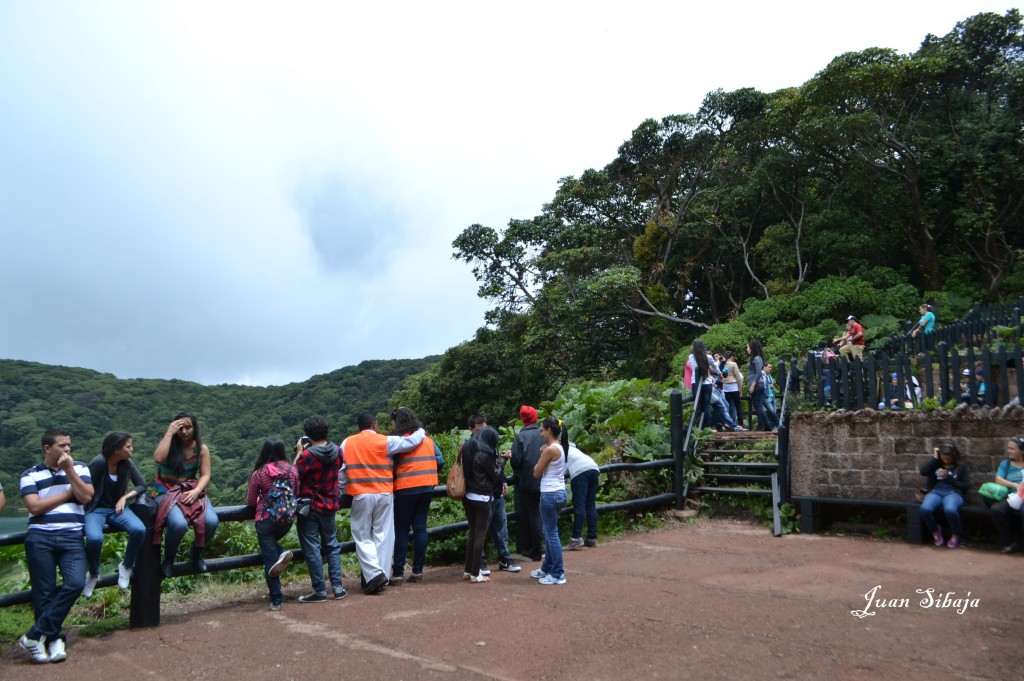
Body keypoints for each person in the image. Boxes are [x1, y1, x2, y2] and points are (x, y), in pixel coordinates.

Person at [19, 428, 93, 664]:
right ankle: (51, 640)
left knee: (75, 583)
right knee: (44, 592)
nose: (67, 449)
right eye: (62, 446)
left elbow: (86, 496)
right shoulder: (29, 474)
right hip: (40, 538)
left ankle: (34, 636)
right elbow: (35, 508)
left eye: (69, 445)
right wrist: (66, 495)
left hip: (72, 537)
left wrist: (69, 471)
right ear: (47, 448)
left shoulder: (79, 468)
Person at [340, 412, 425, 595]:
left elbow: (340, 471)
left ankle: (374, 575)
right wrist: (420, 431)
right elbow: (410, 442)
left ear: (359, 427)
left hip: (360, 494)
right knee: (384, 535)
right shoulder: (385, 441)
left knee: (362, 536)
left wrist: (341, 491)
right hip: (385, 493)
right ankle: (381, 576)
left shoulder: (347, 443)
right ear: (375, 425)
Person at [153, 412, 219, 578]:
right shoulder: (169, 444)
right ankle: (169, 559)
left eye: (188, 427)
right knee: (178, 524)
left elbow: (205, 474)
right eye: (180, 427)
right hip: (165, 490)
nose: (184, 431)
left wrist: (197, 491)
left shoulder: (201, 449)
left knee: (211, 521)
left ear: (194, 428)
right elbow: (158, 458)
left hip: (189, 490)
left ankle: (195, 554)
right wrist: (169, 432)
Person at [83, 432, 147, 597]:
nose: (131, 449)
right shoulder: (99, 463)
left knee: (139, 530)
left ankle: (126, 565)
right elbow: (84, 489)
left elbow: (141, 484)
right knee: (95, 539)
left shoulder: (126, 463)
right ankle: (94, 573)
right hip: (96, 509)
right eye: (128, 446)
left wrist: (125, 497)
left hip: (117, 509)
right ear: (116, 449)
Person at [293, 415, 347, 602]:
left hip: (311, 507)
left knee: (312, 548)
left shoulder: (307, 456)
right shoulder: (338, 451)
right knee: (332, 546)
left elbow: (294, 476)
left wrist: (299, 452)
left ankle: (320, 591)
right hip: (331, 504)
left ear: (308, 435)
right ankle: (338, 588)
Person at [391, 407, 443, 585]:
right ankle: (417, 571)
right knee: (420, 528)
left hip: (405, 489)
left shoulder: (399, 442)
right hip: (427, 486)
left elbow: (390, 466)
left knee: (402, 531)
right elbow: (440, 460)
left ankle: (398, 573)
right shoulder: (427, 440)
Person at [247, 437, 299, 610]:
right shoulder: (293, 471)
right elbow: (295, 493)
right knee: (273, 554)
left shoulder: (259, 473)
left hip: (266, 520)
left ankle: (277, 600)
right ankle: (281, 552)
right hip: (286, 520)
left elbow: (250, 501)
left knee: (270, 558)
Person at [469, 414, 521, 577]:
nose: (481, 433)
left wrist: (503, 481)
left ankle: (505, 559)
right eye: (478, 430)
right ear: (470, 430)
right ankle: (480, 562)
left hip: (495, 492)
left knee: (501, 528)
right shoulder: (471, 446)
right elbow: (492, 468)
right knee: (480, 531)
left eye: (483, 429)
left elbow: (495, 465)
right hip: (482, 494)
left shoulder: (490, 444)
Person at [461, 426, 502, 583]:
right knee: (480, 534)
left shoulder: (467, 448)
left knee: (472, 532)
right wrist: (503, 461)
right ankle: (475, 573)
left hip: (467, 495)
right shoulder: (484, 455)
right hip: (482, 496)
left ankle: (467, 570)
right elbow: (496, 475)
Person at [532, 417, 568, 585]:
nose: (541, 433)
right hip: (559, 492)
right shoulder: (559, 446)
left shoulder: (549, 450)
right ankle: (547, 568)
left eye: (542, 430)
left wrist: (542, 457)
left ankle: (558, 573)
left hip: (549, 494)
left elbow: (536, 472)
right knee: (549, 532)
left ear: (549, 431)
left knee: (551, 533)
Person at [919, 443, 969, 548]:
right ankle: (935, 531)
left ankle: (956, 534)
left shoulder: (961, 467)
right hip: (937, 491)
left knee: (950, 510)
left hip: (954, 493)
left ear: (954, 457)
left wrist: (949, 478)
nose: (946, 461)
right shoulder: (937, 464)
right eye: (944, 458)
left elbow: (965, 487)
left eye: (949, 459)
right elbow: (923, 472)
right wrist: (935, 458)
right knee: (925, 509)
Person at [510, 405, 544, 561]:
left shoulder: (520, 437)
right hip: (546, 480)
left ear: (522, 419)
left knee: (533, 515)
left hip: (529, 482)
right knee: (544, 513)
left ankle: (536, 550)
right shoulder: (544, 433)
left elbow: (516, 462)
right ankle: (546, 546)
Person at [987, 436, 1024, 554]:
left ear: (1021, 451)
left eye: (1012, 449)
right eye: (1008, 448)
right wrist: (1015, 485)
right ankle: (1009, 542)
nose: (1009, 451)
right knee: (996, 509)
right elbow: (998, 479)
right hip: (1012, 496)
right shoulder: (1006, 464)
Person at [566, 442, 600, 550]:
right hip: (594, 468)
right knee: (590, 504)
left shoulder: (559, 450)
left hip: (580, 472)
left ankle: (576, 539)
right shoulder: (574, 449)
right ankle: (592, 537)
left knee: (579, 505)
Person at [688, 338, 723, 430]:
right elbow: (715, 366)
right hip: (707, 383)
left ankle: (697, 427)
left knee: (698, 405)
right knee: (706, 406)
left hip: (696, 383)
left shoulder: (691, 357)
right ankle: (706, 427)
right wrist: (719, 374)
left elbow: (695, 366)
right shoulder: (709, 357)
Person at [747, 340, 778, 432]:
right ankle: (767, 425)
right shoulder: (755, 358)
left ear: (752, 348)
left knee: (758, 406)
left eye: (748, 347)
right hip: (757, 384)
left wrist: (753, 385)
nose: (747, 349)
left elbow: (758, 373)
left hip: (757, 384)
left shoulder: (757, 358)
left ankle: (768, 425)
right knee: (758, 406)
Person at [721, 351, 744, 426]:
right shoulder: (733, 364)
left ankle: (726, 423)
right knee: (738, 406)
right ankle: (741, 423)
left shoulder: (721, 363)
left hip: (724, 385)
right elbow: (737, 376)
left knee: (726, 405)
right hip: (733, 385)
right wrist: (740, 389)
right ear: (731, 357)